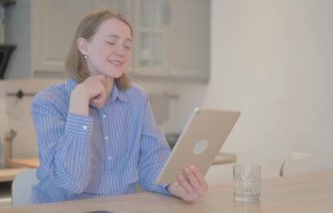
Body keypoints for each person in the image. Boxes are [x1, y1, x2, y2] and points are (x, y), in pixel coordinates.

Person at [31, 9, 208, 204]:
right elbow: (72, 182)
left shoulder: (137, 99)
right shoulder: (48, 102)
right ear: (83, 46)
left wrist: (172, 185)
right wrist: (80, 101)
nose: (121, 51)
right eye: (111, 42)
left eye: (127, 45)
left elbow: (152, 160)